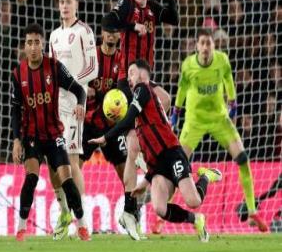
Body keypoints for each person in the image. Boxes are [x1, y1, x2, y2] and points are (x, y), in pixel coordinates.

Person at [89, 59, 223, 242]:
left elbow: (129, 118)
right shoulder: (139, 115)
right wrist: (144, 182)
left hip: (172, 153)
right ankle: (196, 220)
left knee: (194, 201)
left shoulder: (143, 90)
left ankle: (206, 176)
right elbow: (145, 146)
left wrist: (106, 137)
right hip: (157, 165)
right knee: (160, 208)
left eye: (132, 73)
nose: (129, 78)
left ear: (142, 75)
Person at [169, 29, 268, 232]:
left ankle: (252, 211)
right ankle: (163, 215)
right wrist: (176, 113)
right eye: (202, 43)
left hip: (219, 119)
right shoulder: (188, 65)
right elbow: (182, 89)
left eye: (209, 43)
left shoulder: (222, 60)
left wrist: (233, 103)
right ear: (197, 46)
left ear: (213, 46)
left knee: (242, 158)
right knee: (177, 164)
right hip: (194, 121)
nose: (206, 47)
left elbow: (229, 80)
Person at [104, 0, 177, 231]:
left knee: (165, 100)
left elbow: (173, 18)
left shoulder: (153, 9)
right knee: (133, 147)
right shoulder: (127, 6)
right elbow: (107, 23)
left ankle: (149, 142)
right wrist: (131, 25)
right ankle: (129, 208)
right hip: (128, 81)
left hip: (146, 83)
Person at [11, 23, 89, 241]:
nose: (33, 47)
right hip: (32, 137)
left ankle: (82, 226)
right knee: (31, 178)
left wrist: (80, 103)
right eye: (29, 43)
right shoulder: (18, 74)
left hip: (54, 135)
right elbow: (15, 110)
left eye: (37, 42)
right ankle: (21, 229)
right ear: (24, 46)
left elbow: (79, 89)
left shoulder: (54, 67)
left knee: (67, 179)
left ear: (42, 44)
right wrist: (16, 140)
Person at [48, 0, 98, 240]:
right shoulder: (54, 36)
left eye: (68, 1)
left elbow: (93, 67)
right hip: (54, 106)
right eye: (61, 2)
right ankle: (64, 212)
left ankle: (83, 221)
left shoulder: (84, 32)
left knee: (72, 160)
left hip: (75, 106)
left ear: (76, 3)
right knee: (52, 162)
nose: (64, 6)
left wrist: (74, 86)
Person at [81, 15, 127, 184]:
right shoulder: (90, 56)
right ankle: (72, 201)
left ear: (119, 35)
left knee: (125, 171)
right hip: (89, 123)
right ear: (102, 32)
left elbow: (120, 94)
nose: (111, 35)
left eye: (114, 32)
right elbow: (77, 83)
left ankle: (132, 201)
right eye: (108, 31)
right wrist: (84, 89)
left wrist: (97, 93)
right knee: (73, 167)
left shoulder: (123, 60)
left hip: (112, 126)